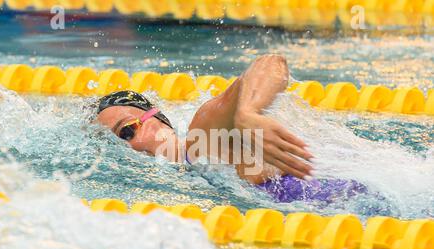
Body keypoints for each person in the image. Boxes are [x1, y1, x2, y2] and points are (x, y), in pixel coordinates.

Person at [95, 54, 367, 203]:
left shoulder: (201, 141)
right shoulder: (192, 177)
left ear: (157, 117)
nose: (127, 148)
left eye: (127, 131)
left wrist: (247, 113)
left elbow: (273, 63)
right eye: (115, 144)